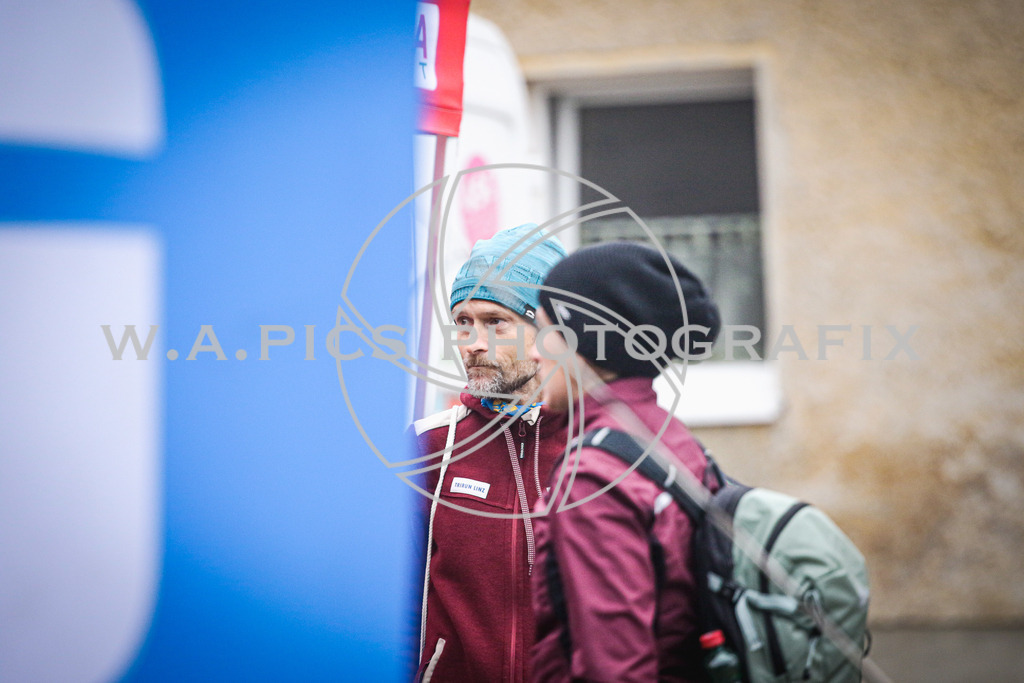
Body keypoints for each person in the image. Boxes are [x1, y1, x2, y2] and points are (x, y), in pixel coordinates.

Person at [527, 242, 722, 682]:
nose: (534, 352)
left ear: (586, 340)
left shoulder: (594, 476)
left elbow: (616, 669)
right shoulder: (672, 437)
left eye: (544, 331)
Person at [413, 223, 569, 682]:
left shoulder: (598, 447)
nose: (473, 343)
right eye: (463, 322)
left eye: (495, 321)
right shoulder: (429, 447)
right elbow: (392, 603)